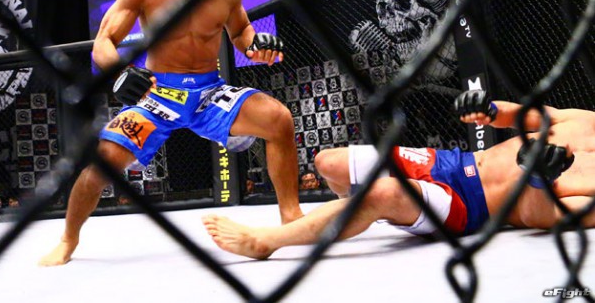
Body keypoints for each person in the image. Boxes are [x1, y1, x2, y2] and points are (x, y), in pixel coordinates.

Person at [39, 0, 303, 267]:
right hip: (157, 94)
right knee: (101, 163)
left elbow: (241, 32)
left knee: (278, 119)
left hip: (210, 91)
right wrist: (120, 74)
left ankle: (291, 217)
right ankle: (67, 239)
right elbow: (104, 42)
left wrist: (256, 45)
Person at [203, 90, 595, 259]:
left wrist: (541, 179)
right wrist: (488, 109)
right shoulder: (584, 120)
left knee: (383, 194)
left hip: (469, 206)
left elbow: (547, 215)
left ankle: (266, 242)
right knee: (327, 163)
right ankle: (350, 213)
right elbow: (519, 116)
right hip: (453, 162)